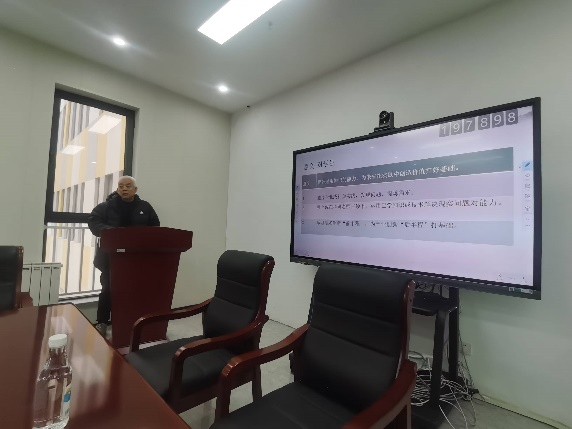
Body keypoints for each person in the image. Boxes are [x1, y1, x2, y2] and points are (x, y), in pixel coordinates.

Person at [87, 176, 160, 336]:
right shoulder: (106, 206)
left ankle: (132, 322)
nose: (124, 189)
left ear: (135, 189)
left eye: (128, 186)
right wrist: (113, 232)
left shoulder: (145, 207)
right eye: (121, 186)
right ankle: (102, 322)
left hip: (136, 258)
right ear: (117, 189)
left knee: (134, 290)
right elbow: (93, 222)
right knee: (108, 290)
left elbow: (155, 226)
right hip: (111, 257)